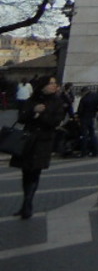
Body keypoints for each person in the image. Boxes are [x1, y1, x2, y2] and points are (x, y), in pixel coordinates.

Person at [10, 75, 63, 219]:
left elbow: (55, 121)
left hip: (43, 141)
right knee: (26, 171)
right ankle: (26, 202)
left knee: (35, 171)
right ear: (43, 85)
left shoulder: (57, 102)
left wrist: (41, 114)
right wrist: (34, 110)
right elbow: (21, 117)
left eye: (54, 83)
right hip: (28, 141)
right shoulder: (31, 100)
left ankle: (28, 203)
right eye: (51, 83)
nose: (54, 85)